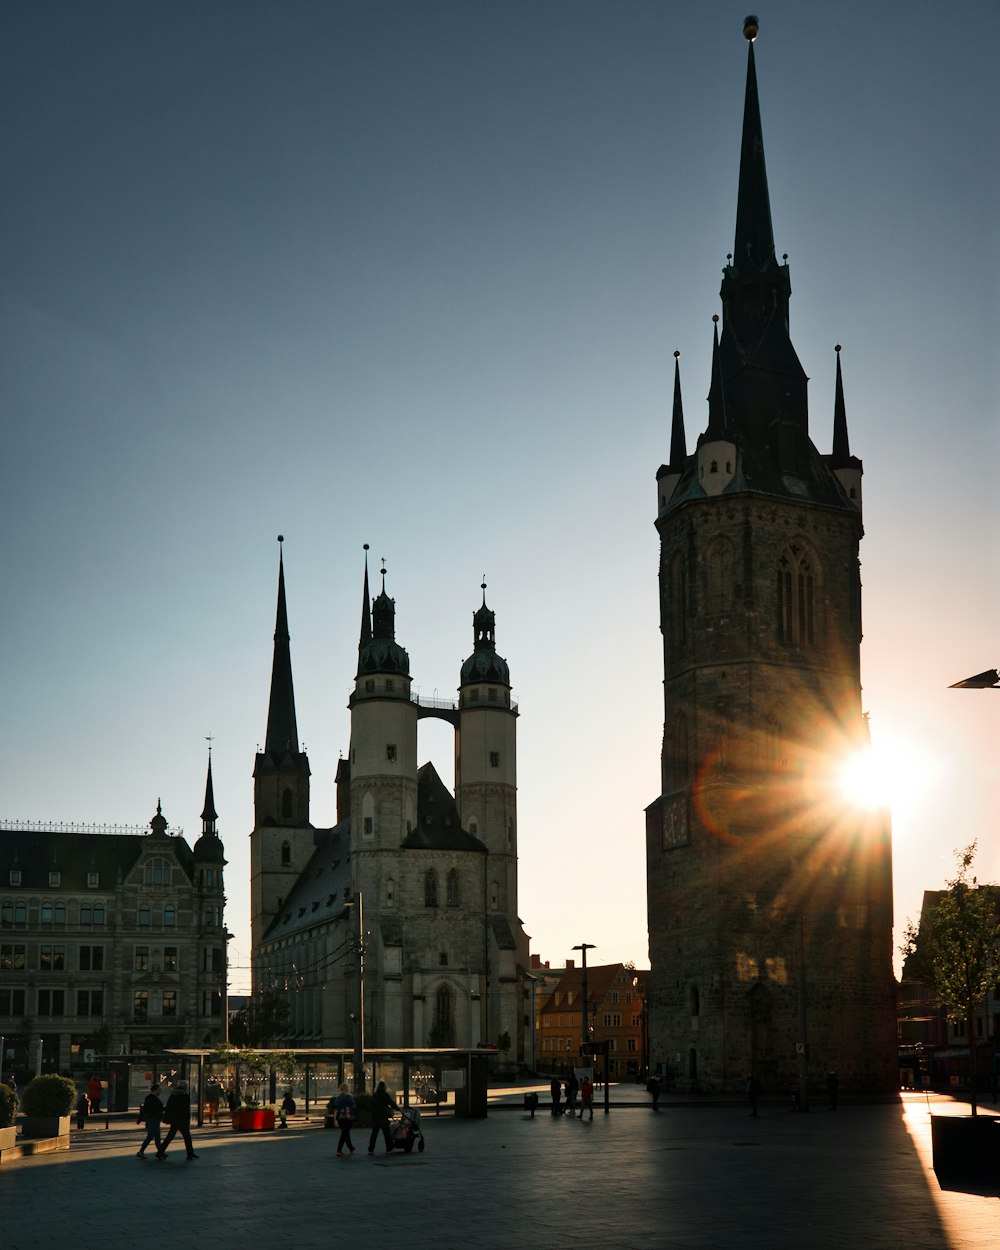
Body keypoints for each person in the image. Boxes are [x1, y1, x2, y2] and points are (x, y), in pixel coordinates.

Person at [159, 1079, 198, 1160]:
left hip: (175, 1120)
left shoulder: (174, 1095)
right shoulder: (183, 1096)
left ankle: (160, 1152)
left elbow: (170, 1108)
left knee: (170, 1136)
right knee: (187, 1137)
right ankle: (190, 1153)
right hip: (182, 1120)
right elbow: (184, 1109)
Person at [367, 1081, 398, 1155]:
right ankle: (389, 1148)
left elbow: (370, 1105)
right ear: (384, 1087)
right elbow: (391, 1103)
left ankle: (371, 1149)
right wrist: (398, 1109)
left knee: (374, 1134)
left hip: (376, 1117)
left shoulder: (375, 1095)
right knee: (386, 1134)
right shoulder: (385, 1095)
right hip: (383, 1116)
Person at [136, 1083, 165, 1157]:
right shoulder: (151, 1098)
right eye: (159, 1090)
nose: (160, 1091)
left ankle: (160, 1152)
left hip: (154, 1119)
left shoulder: (151, 1097)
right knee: (152, 1136)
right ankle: (142, 1151)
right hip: (153, 1119)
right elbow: (147, 1109)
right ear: (155, 1090)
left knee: (155, 1136)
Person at [332, 1083, 357, 1156]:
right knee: (345, 1133)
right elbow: (353, 1106)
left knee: (345, 1133)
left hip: (340, 1118)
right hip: (347, 1118)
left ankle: (351, 1148)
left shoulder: (338, 1098)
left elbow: (335, 1106)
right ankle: (340, 1149)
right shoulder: (349, 1097)